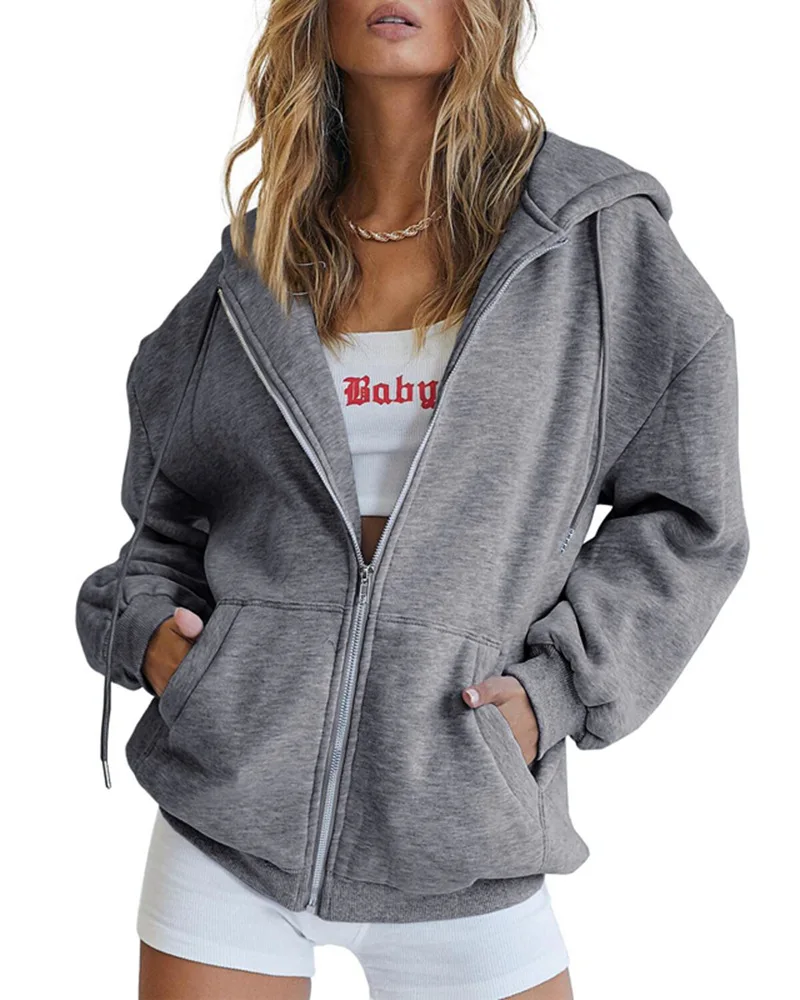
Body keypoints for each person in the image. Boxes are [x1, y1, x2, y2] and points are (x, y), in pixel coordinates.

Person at [74, 2, 750, 998]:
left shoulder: (590, 240)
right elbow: (168, 511)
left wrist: (554, 693)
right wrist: (153, 639)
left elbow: (687, 517)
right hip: (230, 818)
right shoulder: (259, 264)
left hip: (461, 819)